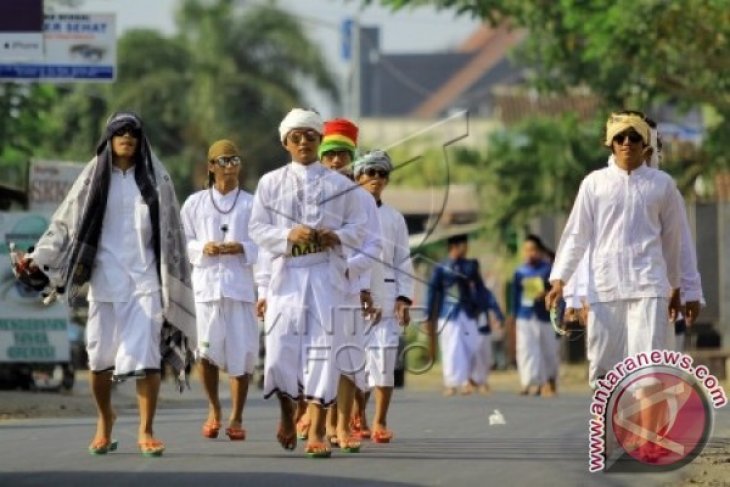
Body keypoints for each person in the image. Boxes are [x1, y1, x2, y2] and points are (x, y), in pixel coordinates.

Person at [17, 112, 196, 457]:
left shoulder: (158, 179)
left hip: (145, 279)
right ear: (109, 138)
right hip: (104, 279)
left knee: (146, 358)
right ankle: (105, 420)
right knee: (99, 361)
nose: (126, 136)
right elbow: (66, 221)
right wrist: (39, 257)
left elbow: (173, 232)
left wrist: (174, 279)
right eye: (119, 131)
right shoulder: (93, 178)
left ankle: (146, 430)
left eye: (133, 132)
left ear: (141, 139)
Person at [546, 111, 685, 461]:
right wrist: (560, 279)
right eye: (620, 137)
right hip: (605, 289)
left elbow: (675, 242)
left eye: (634, 138)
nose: (627, 144)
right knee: (604, 370)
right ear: (608, 142)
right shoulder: (594, 183)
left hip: (649, 287)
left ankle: (648, 442)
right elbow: (577, 234)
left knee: (648, 369)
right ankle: (606, 439)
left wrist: (679, 286)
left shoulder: (662, 185)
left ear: (645, 144)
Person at [249, 108, 367, 458]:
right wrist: (289, 234)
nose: (303, 142)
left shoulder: (342, 186)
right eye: (296, 137)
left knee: (322, 352)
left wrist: (335, 235)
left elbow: (360, 228)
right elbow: (256, 229)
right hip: (286, 276)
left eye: (310, 136)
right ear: (286, 142)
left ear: (319, 140)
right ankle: (288, 414)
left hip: (324, 276)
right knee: (278, 354)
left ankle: (316, 430)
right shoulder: (269, 183)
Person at [180, 140, 259, 442]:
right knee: (206, 352)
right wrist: (204, 247)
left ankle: (237, 416)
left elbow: (266, 243)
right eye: (223, 161)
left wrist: (242, 247)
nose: (230, 166)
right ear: (211, 166)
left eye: (234, 160)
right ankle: (214, 408)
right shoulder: (195, 203)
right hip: (207, 288)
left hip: (239, 288)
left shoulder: (252, 204)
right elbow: (183, 241)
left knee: (243, 354)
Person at [318, 118, 381, 452]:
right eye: (330, 154)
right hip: (315, 288)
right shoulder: (309, 194)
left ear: (352, 156)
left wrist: (349, 270)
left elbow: (374, 247)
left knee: (346, 358)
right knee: (320, 360)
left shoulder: (363, 199)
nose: (336, 161)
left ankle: (342, 426)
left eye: (343, 154)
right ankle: (323, 424)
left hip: (348, 287)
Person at [352, 150, 413, 443]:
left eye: (382, 174)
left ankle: (380, 421)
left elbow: (403, 260)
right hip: (353, 299)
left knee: (385, 362)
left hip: (386, 297)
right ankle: (358, 416)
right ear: (358, 177)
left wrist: (403, 298)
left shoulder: (394, 218)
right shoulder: (348, 216)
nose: (376, 179)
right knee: (356, 364)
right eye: (370, 173)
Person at [425, 234, 486, 397]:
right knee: (451, 348)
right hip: (448, 313)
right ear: (454, 247)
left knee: (472, 346)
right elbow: (432, 292)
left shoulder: (470, 265)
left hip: (467, 312)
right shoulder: (441, 267)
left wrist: (483, 308)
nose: (466, 249)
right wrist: (428, 315)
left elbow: (480, 289)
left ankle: (468, 379)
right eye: (463, 246)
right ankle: (452, 383)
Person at [512, 235, 556, 397]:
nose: (530, 253)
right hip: (524, 316)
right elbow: (515, 297)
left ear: (539, 251)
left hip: (543, 316)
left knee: (546, 350)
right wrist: (514, 316)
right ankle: (528, 382)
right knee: (526, 350)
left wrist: (545, 294)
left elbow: (556, 291)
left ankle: (548, 380)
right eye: (527, 250)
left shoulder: (548, 270)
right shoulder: (519, 272)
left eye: (533, 250)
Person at [469, 282, 505, 394]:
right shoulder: (460, 289)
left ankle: (482, 381)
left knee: (484, 355)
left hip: (482, 327)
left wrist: (499, 317)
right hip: (465, 327)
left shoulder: (483, 291)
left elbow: (493, 303)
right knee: (469, 355)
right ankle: (470, 381)